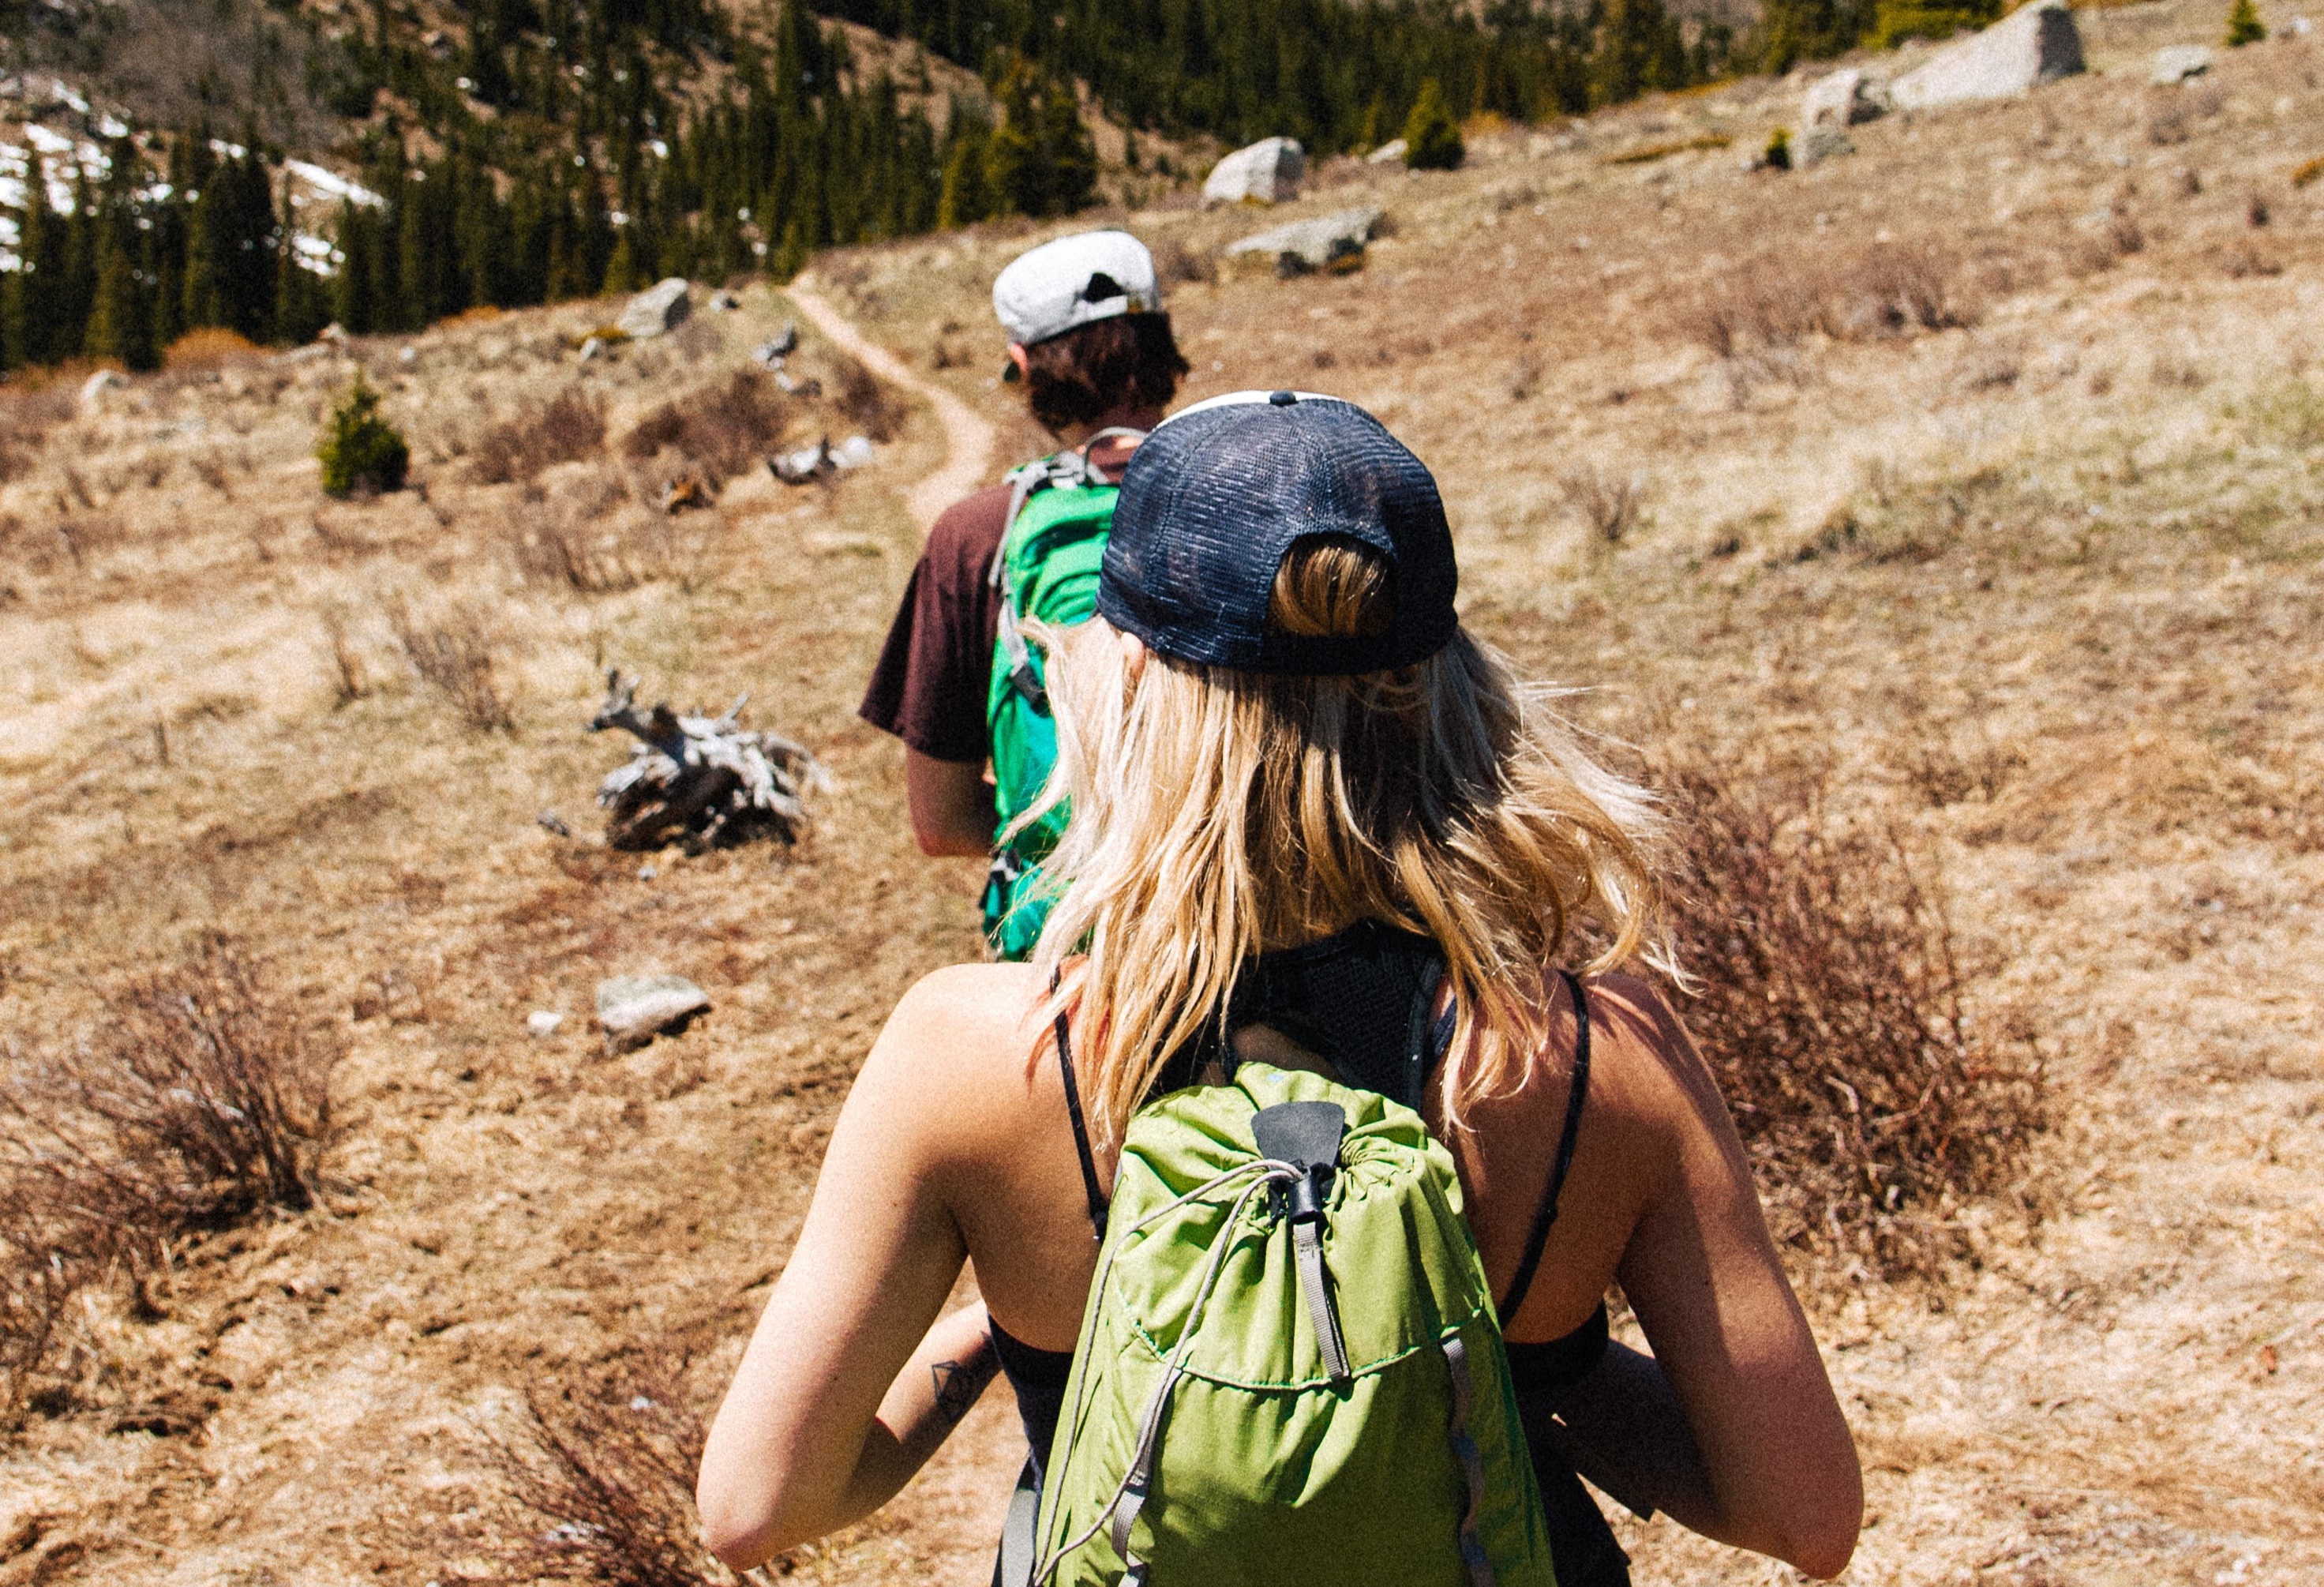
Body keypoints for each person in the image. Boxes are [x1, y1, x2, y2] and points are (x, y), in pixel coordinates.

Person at [701, 393, 1863, 1584]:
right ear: (1453, 683)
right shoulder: (1587, 1051)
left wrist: (995, 1338)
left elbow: (754, 1505)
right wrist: (1540, 1360)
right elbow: (1804, 1516)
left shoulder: (973, 1054)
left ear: (1129, 684)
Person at [858, 228, 1190, 953]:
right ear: (1161, 345)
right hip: (1269, 939)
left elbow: (941, 823)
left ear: (1024, 369)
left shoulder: (979, 534)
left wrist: (1065, 833)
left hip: (1078, 954)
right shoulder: (1265, 490)